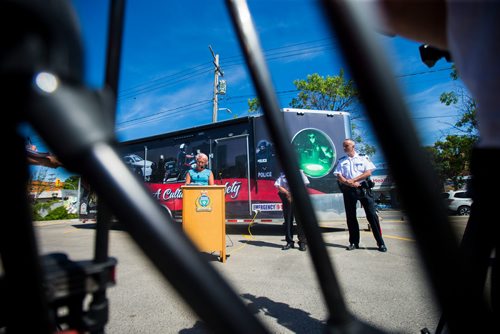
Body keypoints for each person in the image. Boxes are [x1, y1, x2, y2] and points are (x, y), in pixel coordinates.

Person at [334, 139, 387, 252]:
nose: (344, 148)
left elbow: (368, 172)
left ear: (353, 146)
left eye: (346, 145)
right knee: (351, 217)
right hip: (349, 190)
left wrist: (353, 180)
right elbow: (338, 175)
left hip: (363, 189)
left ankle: (380, 243)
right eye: (343, 146)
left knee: (372, 215)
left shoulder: (363, 158)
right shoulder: (342, 160)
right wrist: (347, 182)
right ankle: (354, 242)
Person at [274, 170, 310, 251]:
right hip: (288, 199)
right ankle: (290, 242)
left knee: (300, 222)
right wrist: (288, 193)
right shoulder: (283, 174)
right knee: (288, 221)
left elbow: (304, 184)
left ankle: (302, 242)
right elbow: (278, 186)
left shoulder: (300, 172)